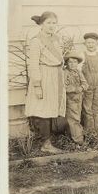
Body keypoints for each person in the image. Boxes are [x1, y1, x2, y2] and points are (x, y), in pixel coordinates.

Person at [25, 11, 66, 154]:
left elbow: (59, 58)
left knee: (51, 109)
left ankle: (49, 140)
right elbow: (33, 65)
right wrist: (37, 85)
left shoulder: (56, 39)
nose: (51, 26)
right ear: (41, 24)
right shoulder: (36, 41)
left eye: (54, 23)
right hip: (43, 77)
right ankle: (45, 144)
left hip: (55, 77)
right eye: (48, 23)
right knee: (43, 110)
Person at [64, 50, 88, 145]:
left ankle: (75, 135)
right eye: (70, 62)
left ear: (77, 63)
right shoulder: (65, 73)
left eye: (75, 62)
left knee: (77, 117)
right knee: (73, 118)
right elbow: (63, 87)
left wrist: (82, 87)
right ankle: (78, 140)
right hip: (71, 99)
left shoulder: (78, 72)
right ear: (67, 63)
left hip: (79, 98)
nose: (73, 64)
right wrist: (74, 89)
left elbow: (85, 84)